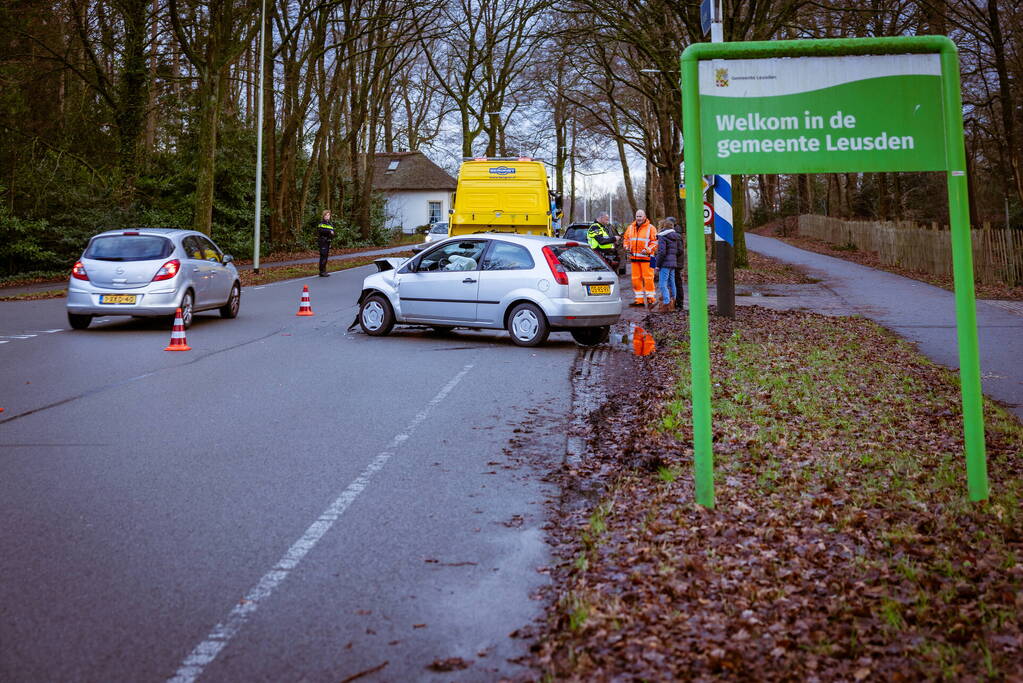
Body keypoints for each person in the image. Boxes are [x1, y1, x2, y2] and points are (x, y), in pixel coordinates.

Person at [623, 209, 658, 306]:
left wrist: (647, 249)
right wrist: (626, 247)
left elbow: (655, 242)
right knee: (635, 279)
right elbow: (626, 239)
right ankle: (639, 300)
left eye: (640, 216)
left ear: (645, 217)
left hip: (648, 258)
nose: (638, 218)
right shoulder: (630, 228)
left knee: (649, 279)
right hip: (634, 258)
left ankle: (651, 299)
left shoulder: (651, 228)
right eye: (637, 216)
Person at [654, 217, 683, 312]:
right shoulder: (676, 236)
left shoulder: (662, 236)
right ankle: (673, 301)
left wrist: (657, 265)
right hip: (673, 263)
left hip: (665, 264)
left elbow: (662, 252)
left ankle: (666, 303)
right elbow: (679, 250)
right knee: (672, 283)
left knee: (662, 284)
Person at [316, 209, 335, 277]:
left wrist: (331, 233)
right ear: (323, 216)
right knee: (323, 256)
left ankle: (324, 271)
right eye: (326, 215)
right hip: (322, 241)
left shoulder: (330, 224)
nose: (328, 216)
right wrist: (329, 232)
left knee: (326, 257)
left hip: (328, 241)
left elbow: (333, 232)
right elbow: (321, 231)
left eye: (329, 215)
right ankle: (322, 271)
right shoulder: (321, 223)